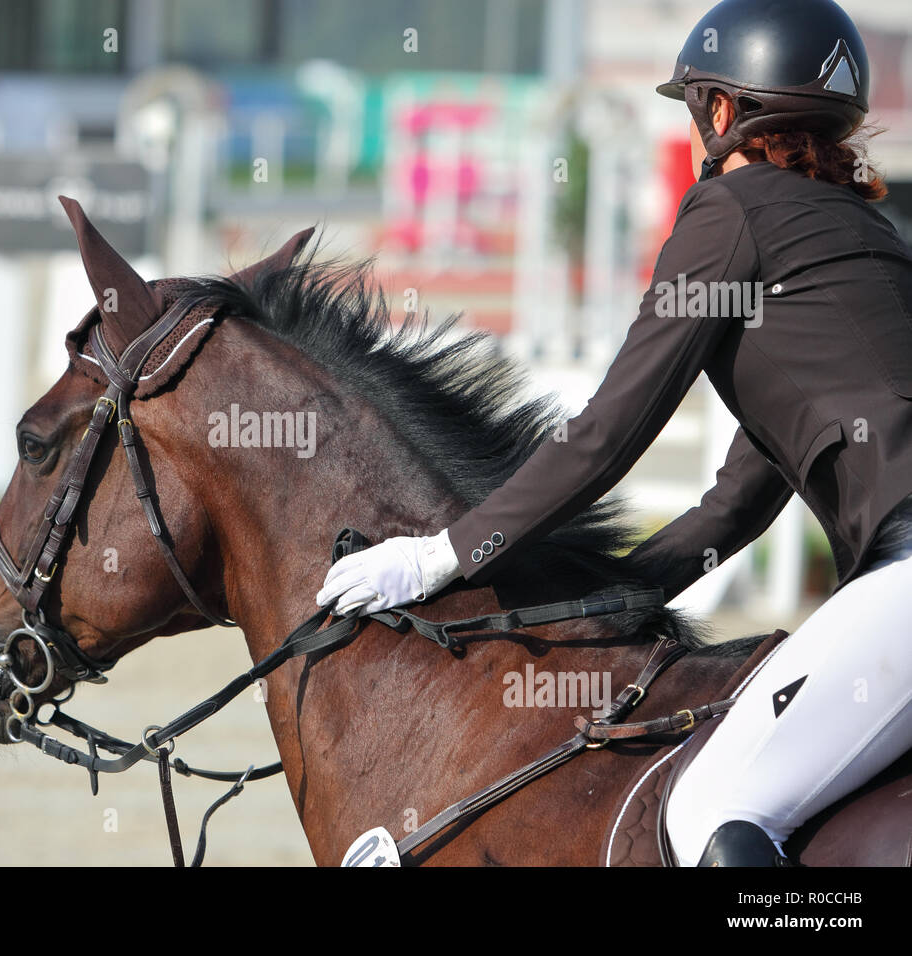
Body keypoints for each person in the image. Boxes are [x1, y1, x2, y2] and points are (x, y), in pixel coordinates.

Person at [317, 0, 912, 866]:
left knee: (715, 808)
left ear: (722, 111)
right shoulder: (869, 242)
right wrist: (615, 600)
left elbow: (606, 434)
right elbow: (739, 501)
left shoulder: (729, 215)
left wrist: (443, 554)